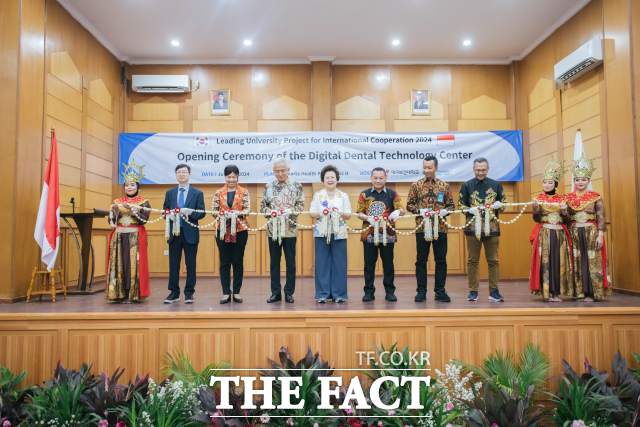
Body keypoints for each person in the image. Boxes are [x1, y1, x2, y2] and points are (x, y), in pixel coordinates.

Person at [406, 155, 455, 302]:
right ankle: (421, 291)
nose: (426, 170)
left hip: (440, 228)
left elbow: (451, 206)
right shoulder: (416, 185)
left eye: (429, 167)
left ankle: (440, 291)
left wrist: (446, 211)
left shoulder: (444, 186)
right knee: (421, 261)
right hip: (422, 228)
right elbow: (409, 204)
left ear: (436, 168)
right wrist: (418, 211)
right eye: (425, 167)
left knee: (441, 260)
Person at [459, 157, 506, 303]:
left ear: (488, 169)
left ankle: (494, 291)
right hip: (472, 228)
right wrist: (469, 210)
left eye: (483, 170)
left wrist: (500, 205)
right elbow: (460, 205)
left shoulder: (496, 185)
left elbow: (504, 205)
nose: (480, 172)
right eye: (478, 170)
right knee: (473, 260)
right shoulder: (466, 185)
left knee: (493, 260)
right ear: (474, 169)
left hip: (492, 228)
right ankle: (473, 291)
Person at [566, 154, 612, 301]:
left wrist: (600, 235)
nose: (580, 182)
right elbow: (566, 218)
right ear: (574, 181)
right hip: (574, 232)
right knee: (577, 260)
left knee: (592, 261)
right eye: (578, 180)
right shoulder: (568, 198)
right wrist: (563, 210)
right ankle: (579, 292)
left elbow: (601, 217)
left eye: (584, 179)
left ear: (588, 181)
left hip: (591, 232)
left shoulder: (596, 197)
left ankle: (593, 293)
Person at [355, 167, 404, 302]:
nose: (378, 180)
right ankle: (369, 292)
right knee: (369, 264)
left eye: (381, 178)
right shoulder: (364, 194)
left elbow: (402, 209)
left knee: (388, 264)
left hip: (387, 234)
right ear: (371, 178)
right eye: (375, 178)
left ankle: (390, 292)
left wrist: (398, 212)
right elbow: (358, 212)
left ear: (385, 179)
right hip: (369, 234)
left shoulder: (392, 194)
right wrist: (366, 217)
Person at [260, 159, 304, 304]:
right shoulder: (268, 186)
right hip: (273, 230)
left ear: (288, 170)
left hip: (290, 230)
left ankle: (289, 292)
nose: (280, 173)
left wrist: (288, 212)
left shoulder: (297, 186)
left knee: (291, 263)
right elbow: (262, 207)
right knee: (274, 263)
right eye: (277, 171)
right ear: (273, 172)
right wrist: (272, 212)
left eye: (282, 170)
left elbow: (300, 206)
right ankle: (275, 293)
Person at [106, 161, 150, 303]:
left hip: (135, 237)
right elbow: (111, 221)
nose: (129, 187)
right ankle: (119, 293)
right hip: (119, 236)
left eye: (132, 185)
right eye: (127, 185)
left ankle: (133, 293)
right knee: (120, 263)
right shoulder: (117, 201)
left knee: (133, 264)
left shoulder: (144, 202)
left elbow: (144, 220)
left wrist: (134, 211)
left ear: (137, 187)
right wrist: (114, 213)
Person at [529, 160, 573, 302]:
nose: (546, 185)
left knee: (559, 262)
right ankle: (547, 292)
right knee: (546, 262)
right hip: (545, 233)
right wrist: (536, 209)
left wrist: (565, 210)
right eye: (544, 182)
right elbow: (536, 219)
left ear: (555, 184)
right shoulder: (538, 198)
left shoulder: (563, 199)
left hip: (560, 233)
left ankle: (557, 293)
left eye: (550, 182)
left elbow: (567, 220)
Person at [163, 164, 206, 304]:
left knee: (191, 264)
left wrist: (190, 213)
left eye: (184, 172)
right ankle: (174, 293)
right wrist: (168, 215)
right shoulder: (169, 193)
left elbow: (202, 213)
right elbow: (165, 211)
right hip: (174, 233)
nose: (182, 174)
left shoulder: (197, 193)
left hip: (190, 233)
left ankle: (189, 293)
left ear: (189, 174)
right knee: (173, 264)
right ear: (176, 175)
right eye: (179, 172)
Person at [309, 165, 351, 303]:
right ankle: (322, 294)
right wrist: (324, 212)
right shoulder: (318, 195)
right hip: (321, 232)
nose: (330, 179)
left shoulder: (343, 195)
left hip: (339, 233)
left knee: (339, 263)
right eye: (327, 177)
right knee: (322, 263)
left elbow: (348, 214)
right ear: (323, 180)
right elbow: (312, 212)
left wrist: (337, 212)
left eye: (333, 177)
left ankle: (339, 294)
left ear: (337, 179)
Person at [213, 164, 250, 304]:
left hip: (240, 230)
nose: (231, 179)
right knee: (224, 262)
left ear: (238, 177)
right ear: (225, 177)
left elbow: (247, 210)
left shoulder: (244, 191)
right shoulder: (218, 192)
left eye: (234, 176)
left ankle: (237, 291)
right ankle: (225, 292)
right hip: (222, 231)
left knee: (238, 261)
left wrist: (237, 213)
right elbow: (213, 211)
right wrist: (223, 214)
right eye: (229, 176)